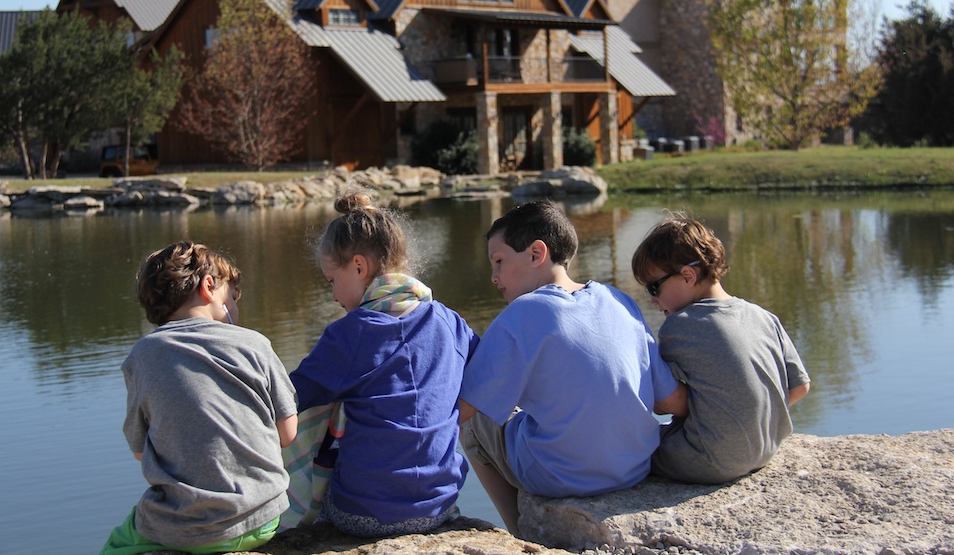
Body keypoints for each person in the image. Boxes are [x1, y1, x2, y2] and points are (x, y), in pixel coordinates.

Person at [459, 199, 684, 535]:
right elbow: (669, 402)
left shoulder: (520, 315)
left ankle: (518, 532)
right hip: (634, 468)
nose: (493, 277)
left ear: (537, 254)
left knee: (474, 424)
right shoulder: (618, 300)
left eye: (499, 261)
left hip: (558, 477)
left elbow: (461, 411)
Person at [289, 192, 478, 537]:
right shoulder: (449, 321)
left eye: (332, 281)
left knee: (316, 405)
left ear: (359, 267)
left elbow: (290, 397)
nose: (333, 295)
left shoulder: (352, 332)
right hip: (439, 504)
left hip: (363, 513)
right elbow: (487, 373)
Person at [100, 241, 298, 555]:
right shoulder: (255, 344)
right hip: (263, 519)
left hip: (184, 527)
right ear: (208, 287)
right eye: (232, 298)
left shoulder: (143, 355)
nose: (235, 309)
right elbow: (287, 433)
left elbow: (139, 451)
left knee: (116, 545)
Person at [631, 212, 811, 484]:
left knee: (629, 445)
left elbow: (665, 402)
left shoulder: (680, 325)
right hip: (767, 449)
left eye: (653, 288)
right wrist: (752, 417)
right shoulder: (762, 316)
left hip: (709, 459)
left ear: (688, 276)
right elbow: (800, 387)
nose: (653, 301)